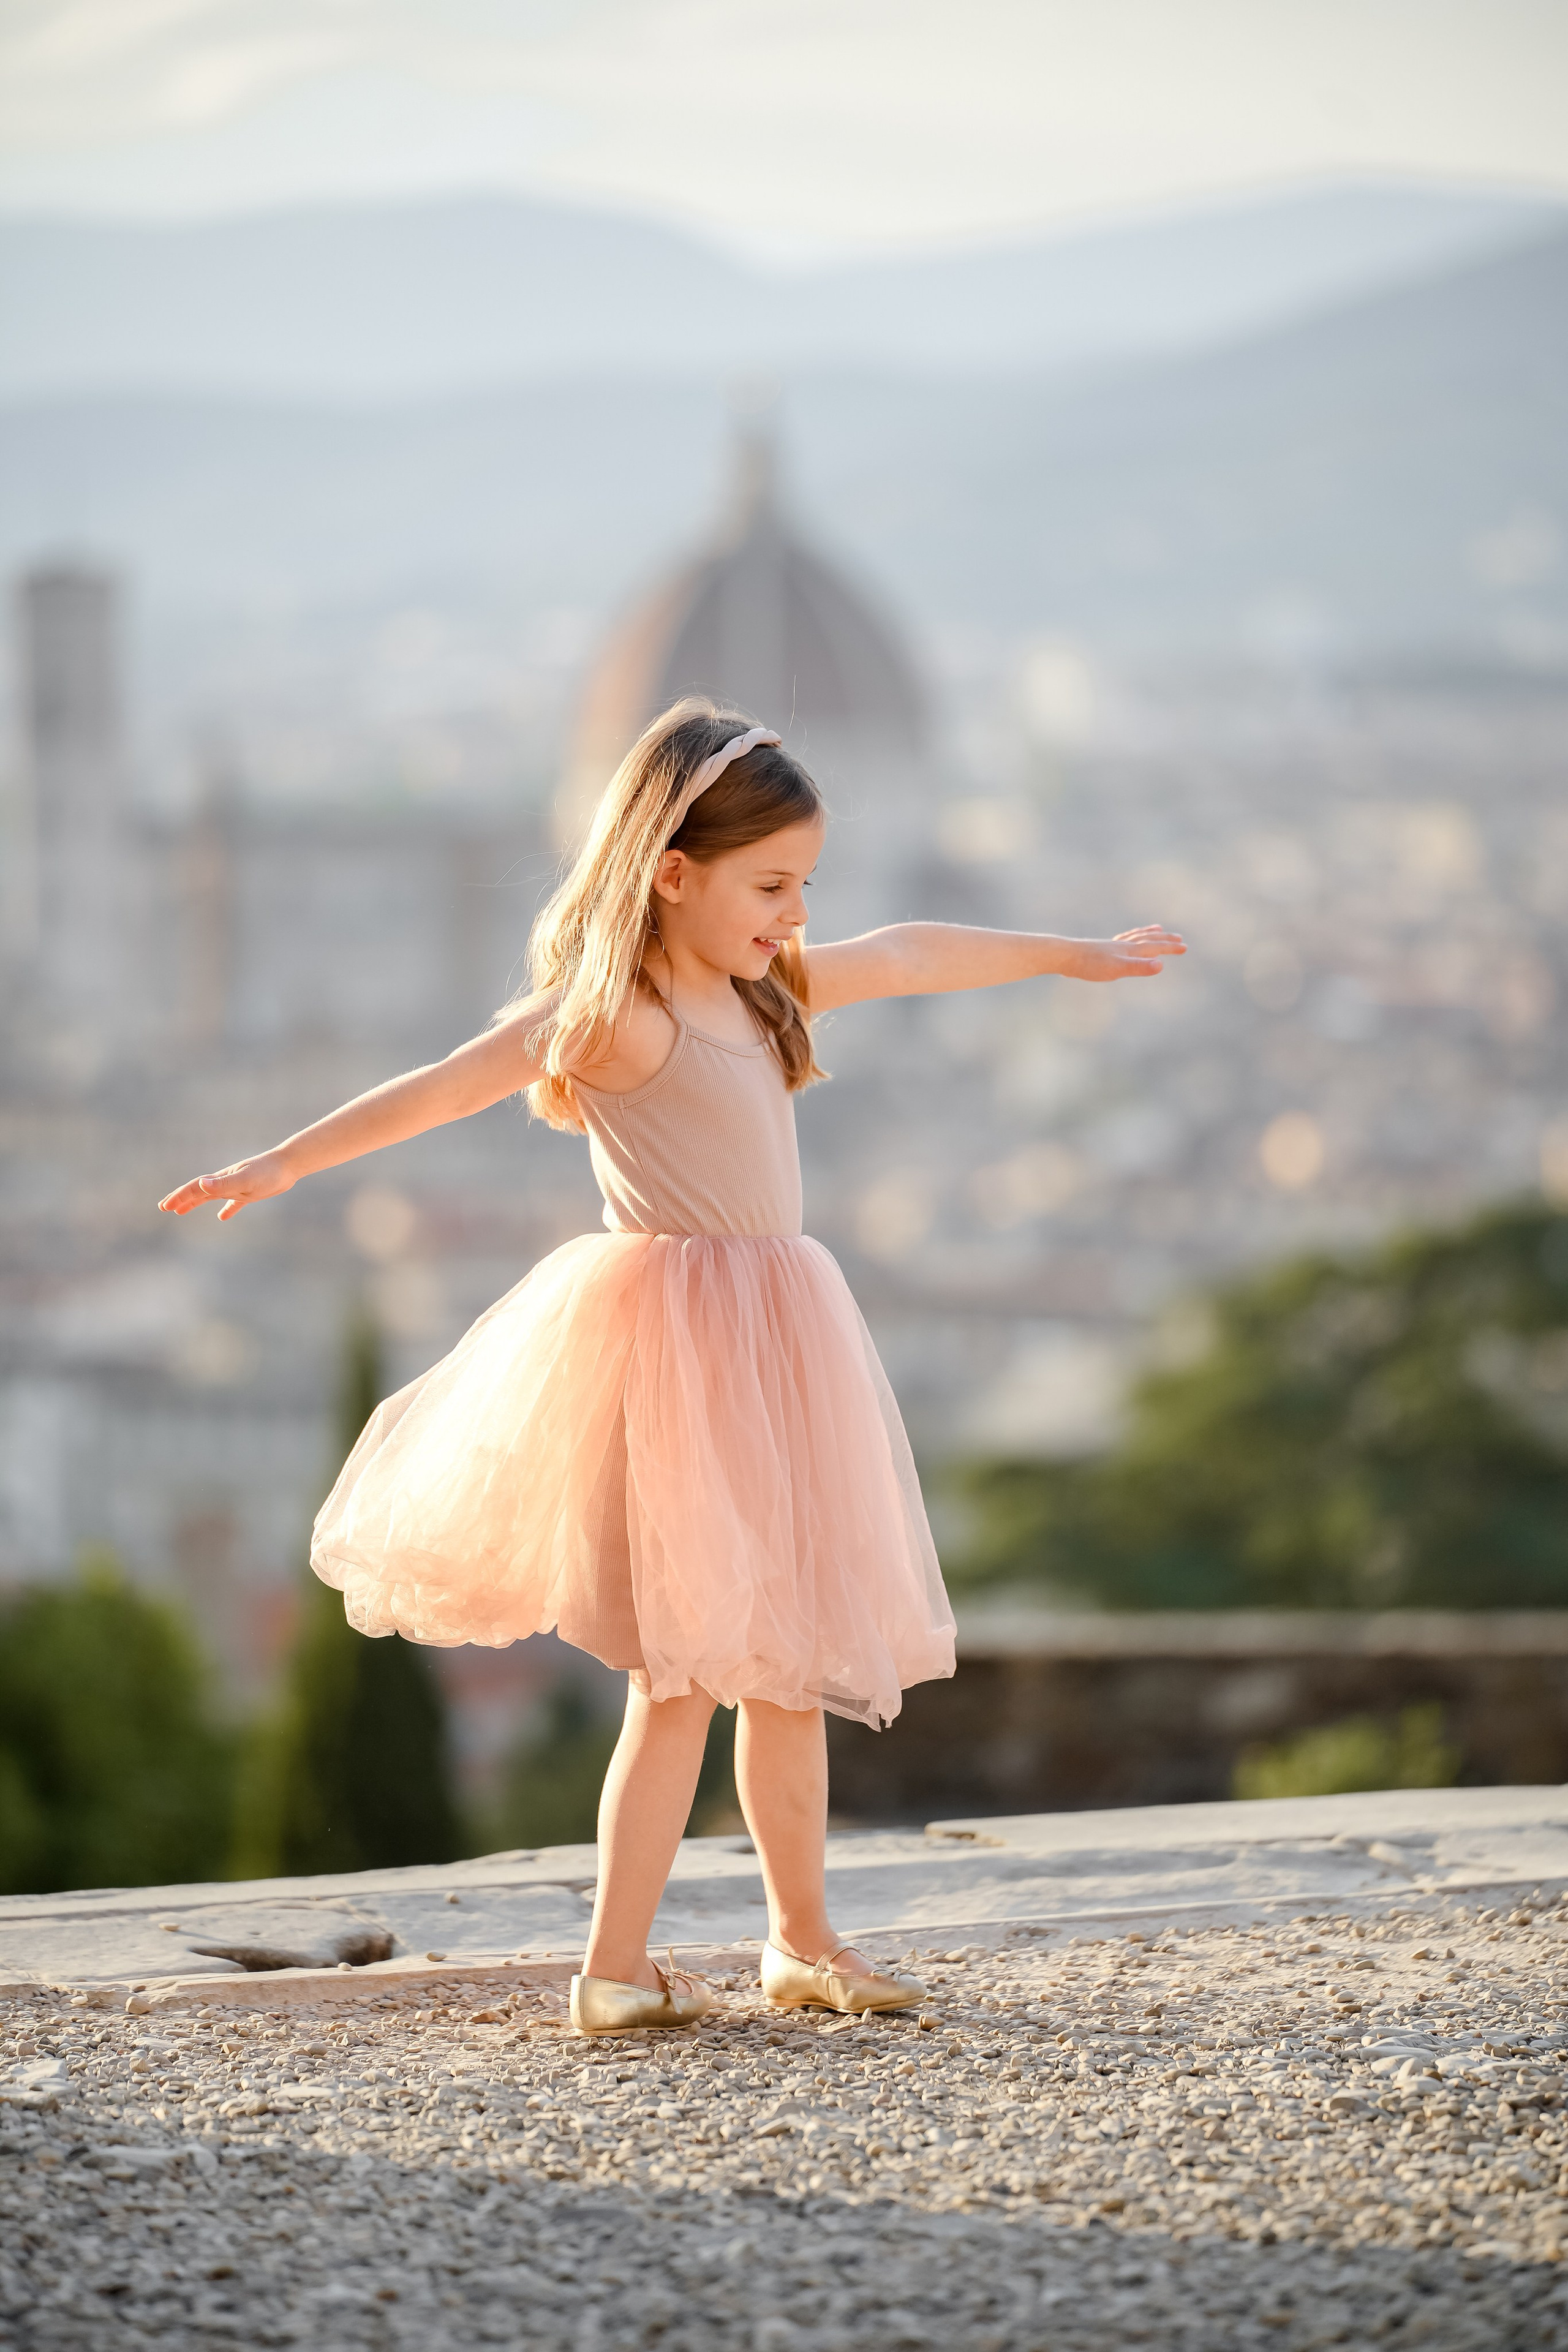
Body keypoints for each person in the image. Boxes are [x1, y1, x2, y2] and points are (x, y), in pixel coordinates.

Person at [160, 699, 1184, 2034]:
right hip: (682, 1355)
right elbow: (450, 1083)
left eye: (803, 884)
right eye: (770, 884)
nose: (795, 913)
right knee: (680, 1681)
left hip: (774, 1342)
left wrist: (1071, 954)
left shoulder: (769, 986)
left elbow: (912, 952)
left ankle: (798, 1941)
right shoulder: (622, 1019)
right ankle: (614, 1964)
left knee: (788, 1665)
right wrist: (285, 1160)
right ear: (672, 871)